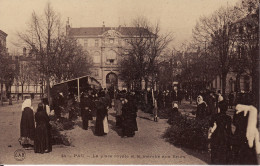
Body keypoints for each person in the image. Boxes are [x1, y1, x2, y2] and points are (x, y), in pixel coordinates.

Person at [231, 94, 258, 165]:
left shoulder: (238, 109)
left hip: (239, 133)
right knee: (249, 154)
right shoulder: (252, 110)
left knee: (237, 154)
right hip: (248, 135)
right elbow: (255, 124)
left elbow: (234, 122)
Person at [208, 99, 232, 164]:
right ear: (226, 108)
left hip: (216, 133)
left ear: (219, 108)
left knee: (216, 148)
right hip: (224, 134)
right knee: (223, 148)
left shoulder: (215, 116)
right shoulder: (228, 118)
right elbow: (229, 129)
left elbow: (211, 125)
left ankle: (215, 161)